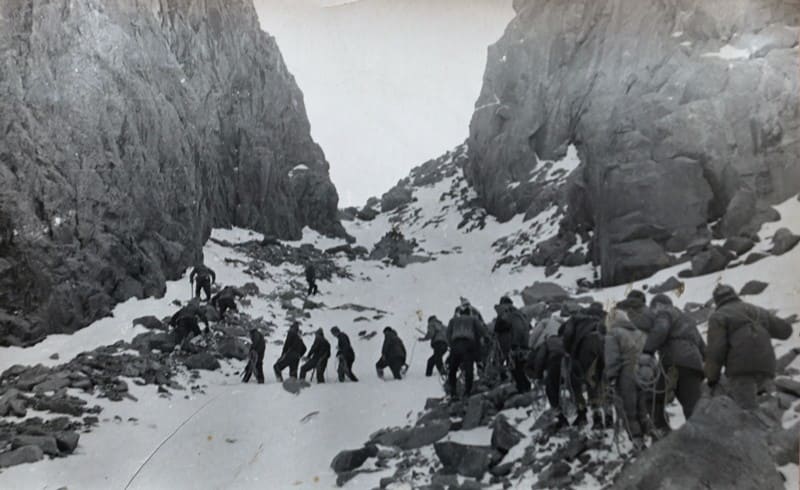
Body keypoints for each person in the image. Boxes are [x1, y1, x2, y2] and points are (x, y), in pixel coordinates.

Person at [705, 284, 793, 409]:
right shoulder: (757, 310)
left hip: (741, 369)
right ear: (734, 294)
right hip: (767, 367)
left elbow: (715, 350)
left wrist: (712, 378)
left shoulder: (718, 316)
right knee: (768, 406)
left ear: (716, 300)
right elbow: (786, 331)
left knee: (747, 412)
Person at [640, 294, 705, 429]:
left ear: (658, 305)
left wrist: (647, 350)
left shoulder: (665, 313)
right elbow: (702, 345)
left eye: (653, 311)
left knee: (652, 398)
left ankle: (662, 430)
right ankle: (700, 437)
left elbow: (661, 329)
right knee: (693, 406)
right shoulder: (687, 319)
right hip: (694, 365)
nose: (654, 315)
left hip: (673, 363)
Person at [604, 308, 647, 448]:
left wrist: (610, 378)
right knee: (644, 409)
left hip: (627, 374)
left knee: (629, 412)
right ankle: (654, 436)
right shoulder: (639, 332)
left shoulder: (613, 334)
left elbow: (612, 359)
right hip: (645, 372)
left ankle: (639, 443)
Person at [561, 302, 607, 426]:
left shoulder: (576, 319)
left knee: (583, 381)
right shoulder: (606, 316)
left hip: (586, 346)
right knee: (602, 379)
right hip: (606, 344)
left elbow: (568, 334)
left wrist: (567, 351)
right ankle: (607, 416)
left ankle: (586, 415)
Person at [528, 314, 569, 428]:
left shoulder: (546, 323)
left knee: (551, 387)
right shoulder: (565, 330)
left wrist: (538, 375)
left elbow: (540, 358)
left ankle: (558, 415)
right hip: (567, 360)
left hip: (551, 360)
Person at [446, 301, 487, 399]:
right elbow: (481, 331)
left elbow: (448, 334)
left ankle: (453, 392)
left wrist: (452, 346)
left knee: (453, 369)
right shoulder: (473, 319)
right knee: (469, 369)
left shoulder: (453, 320)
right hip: (468, 345)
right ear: (469, 312)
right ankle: (467, 392)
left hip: (456, 345)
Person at [493, 296, 532, 393]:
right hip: (525, 343)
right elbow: (529, 326)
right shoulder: (520, 313)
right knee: (521, 366)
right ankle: (526, 388)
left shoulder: (504, 313)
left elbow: (497, 328)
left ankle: (522, 389)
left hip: (512, 344)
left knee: (515, 368)